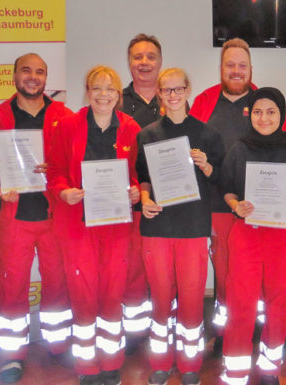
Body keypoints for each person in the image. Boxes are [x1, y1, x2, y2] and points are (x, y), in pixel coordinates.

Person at [189, 38, 286, 351]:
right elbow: (188, 146)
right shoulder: (204, 101)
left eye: (242, 65)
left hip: (265, 209)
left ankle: (266, 331)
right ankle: (229, 333)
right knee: (225, 274)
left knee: (265, 276)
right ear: (221, 68)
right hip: (218, 205)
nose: (236, 71)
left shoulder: (265, 102)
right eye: (229, 65)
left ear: (251, 69)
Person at [47, 66, 140, 385]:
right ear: (87, 91)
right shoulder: (69, 125)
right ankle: (87, 365)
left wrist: (136, 190)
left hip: (115, 226)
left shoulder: (130, 128)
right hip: (78, 225)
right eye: (97, 88)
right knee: (83, 293)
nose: (104, 94)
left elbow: (137, 174)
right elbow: (55, 169)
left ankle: (111, 360)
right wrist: (63, 191)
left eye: (110, 89)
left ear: (119, 94)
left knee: (113, 291)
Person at [219, 87, 286, 385]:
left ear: (282, 114)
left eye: (271, 111)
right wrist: (237, 205)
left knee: (279, 305)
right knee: (240, 304)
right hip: (246, 235)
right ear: (250, 114)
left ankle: (269, 368)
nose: (264, 118)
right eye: (258, 111)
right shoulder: (239, 148)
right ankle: (235, 371)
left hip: (285, 236)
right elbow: (227, 190)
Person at [0, 53, 74, 383]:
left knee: (57, 283)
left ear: (46, 78)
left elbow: (72, 161)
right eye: (26, 70)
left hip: (54, 216)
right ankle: (12, 355)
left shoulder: (64, 116)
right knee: (11, 286)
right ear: (14, 76)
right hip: (14, 217)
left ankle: (58, 342)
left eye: (40, 72)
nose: (33, 77)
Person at [136, 68, 224, 385]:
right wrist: (144, 198)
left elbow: (221, 180)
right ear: (159, 94)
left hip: (192, 228)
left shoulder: (208, 135)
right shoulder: (146, 135)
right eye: (166, 90)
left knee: (191, 298)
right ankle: (160, 361)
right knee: (160, 298)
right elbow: (142, 178)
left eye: (178, 89)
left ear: (188, 90)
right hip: (157, 227)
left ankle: (189, 365)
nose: (173, 96)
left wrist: (206, 164)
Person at [120, 33, 163, 355]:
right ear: (129, 62)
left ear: (160, 61)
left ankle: (165, 327)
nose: (144, 62)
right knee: (134, 270)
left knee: (165, 271)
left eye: (150, 56)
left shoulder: (174, 97)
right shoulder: (115, 100)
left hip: (168, 203)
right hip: (129, 201)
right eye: (138, 57)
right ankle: (135, 334)